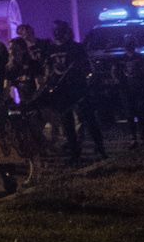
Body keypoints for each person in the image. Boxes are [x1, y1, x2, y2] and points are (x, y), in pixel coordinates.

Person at [40, 21, 104, 162]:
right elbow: (48, 69)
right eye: (55, 30)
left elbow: (87, 68)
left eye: (60, 30)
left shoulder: (76, 48)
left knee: (89, 119)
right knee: (67, 123)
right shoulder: (50, 50)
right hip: (61, 91)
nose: (57, 33)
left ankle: (101, 149)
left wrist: (85, 80)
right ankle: (75, 154)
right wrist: (50, 82)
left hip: (78, 89)